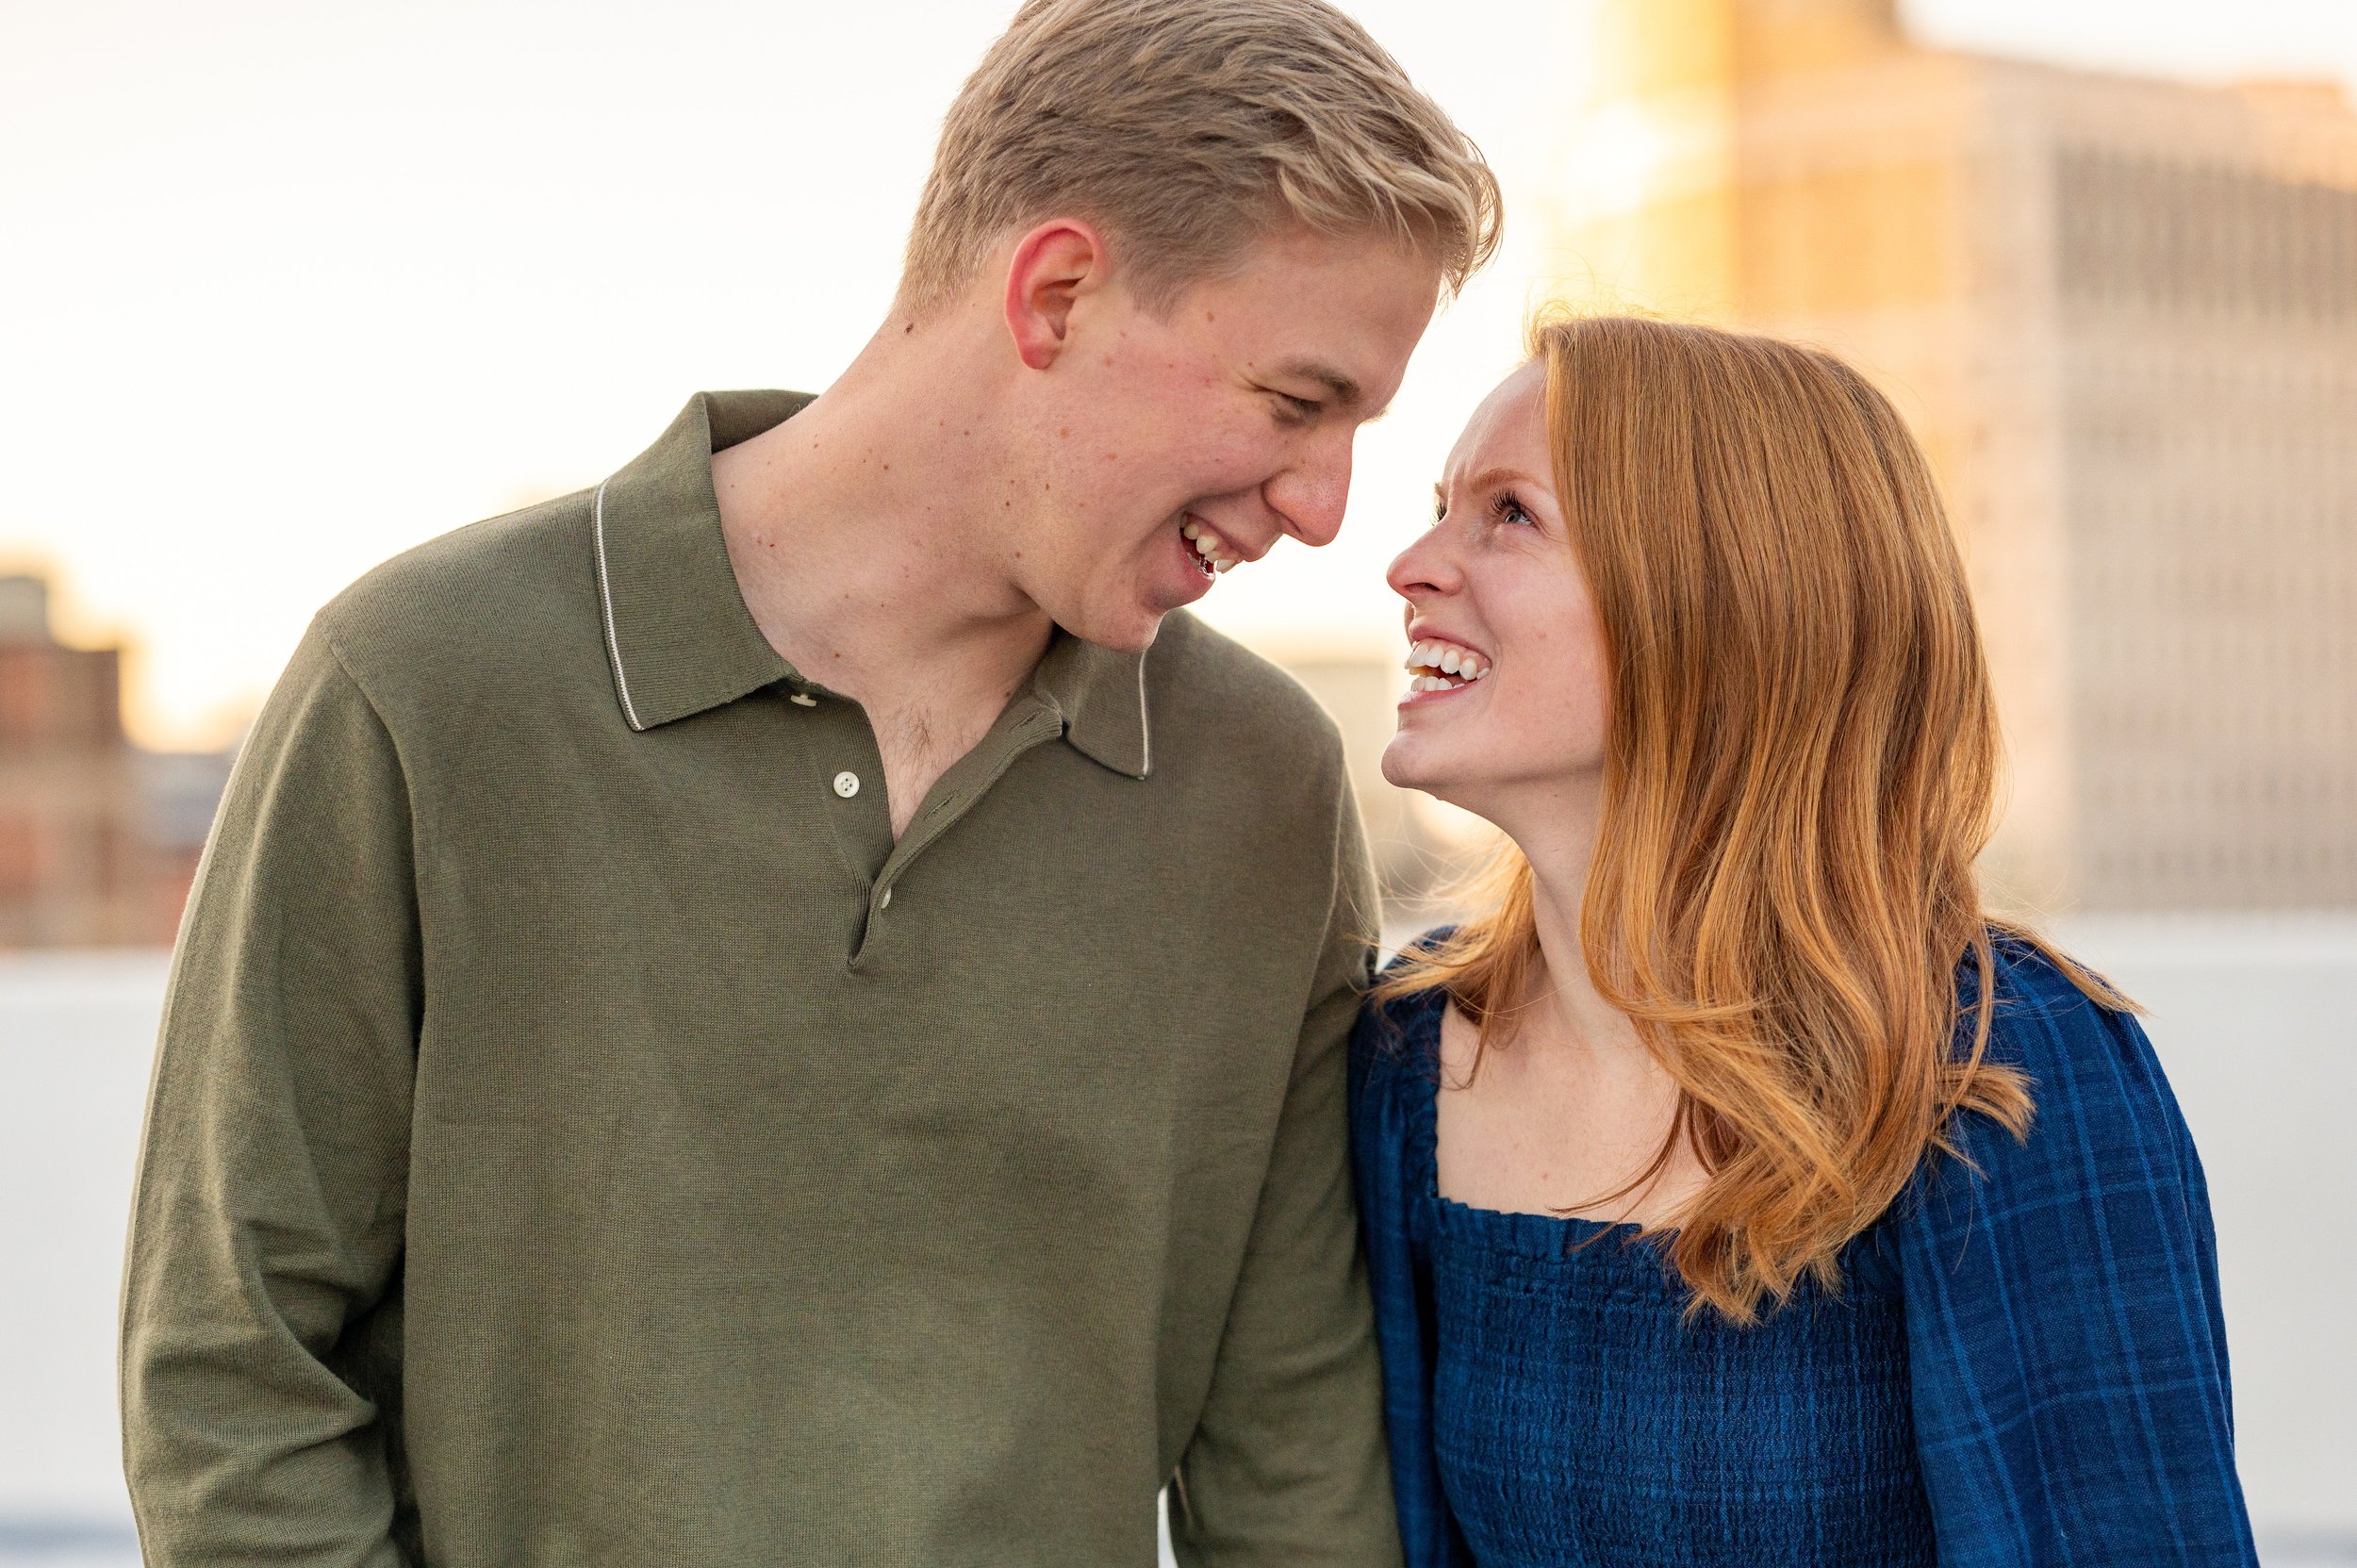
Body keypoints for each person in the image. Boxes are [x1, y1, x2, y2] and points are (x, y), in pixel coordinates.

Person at [118, 3, 1501, 1562]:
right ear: (1055, 294)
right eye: (1297, 405)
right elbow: (235, 1378)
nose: (1326, 512)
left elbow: (1295, 1452)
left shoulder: (1258, 783)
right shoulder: (429, 687)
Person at [1351, 315, 2258, 1566]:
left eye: (1507, 514)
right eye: (1442, 505)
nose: (1410, 564)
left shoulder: (1999, 1064)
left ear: (1721, 593)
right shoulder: (1407, 1057)